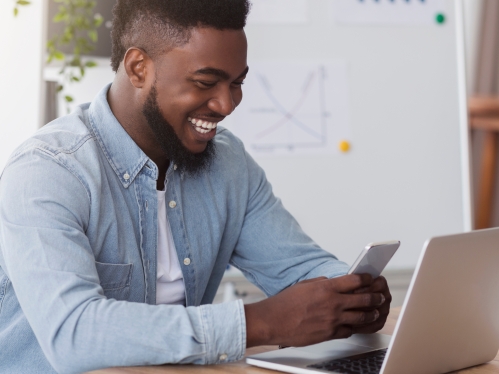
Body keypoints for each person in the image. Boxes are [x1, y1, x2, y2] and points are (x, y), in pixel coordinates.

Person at [0, 1, 391, 373]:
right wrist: (259, 323)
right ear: (138, 68)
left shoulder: (228, 164)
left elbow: (297, 266)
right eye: (206, 82)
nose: (226, 104)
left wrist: (352, 292)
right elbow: (73, 334)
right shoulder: (48, 171)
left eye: (237, 83)